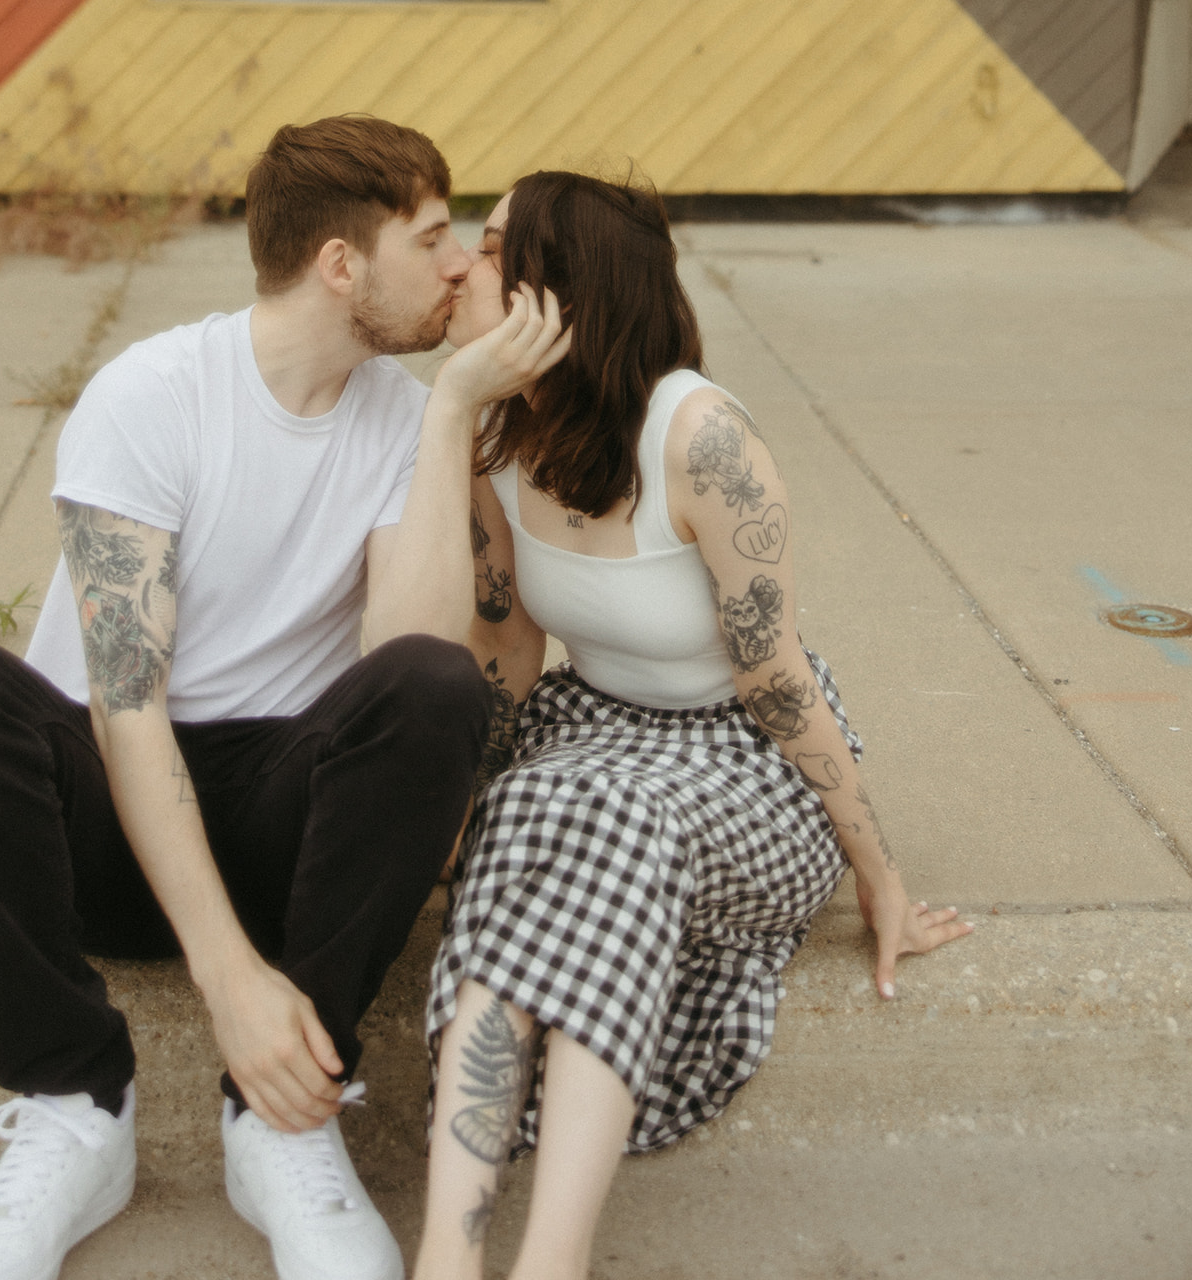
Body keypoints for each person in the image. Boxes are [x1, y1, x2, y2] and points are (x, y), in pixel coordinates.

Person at [0, 116, 567, 1280]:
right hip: (103, 817)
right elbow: (126, 708)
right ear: (341, 263)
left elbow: (408, 660)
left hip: (276, 824)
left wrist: (451, 413)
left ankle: (284, 1113)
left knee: (437, 687)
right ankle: (71, 1103)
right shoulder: (151, 395)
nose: (461, 265)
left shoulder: (406, 421)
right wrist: (228, 977)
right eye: (437, 236)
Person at [413, 172, 974, 1280]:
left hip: (745, 764)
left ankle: (548, 1259)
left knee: (597, 809)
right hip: (595, 737)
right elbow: (510, 653)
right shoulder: (501, 431)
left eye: (485, 247)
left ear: (553, 289)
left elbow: (773, 676)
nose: (458, 269)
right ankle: (449, 1250)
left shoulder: (702, 440)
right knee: (539, 802)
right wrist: (452, 822)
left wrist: (879, 868)